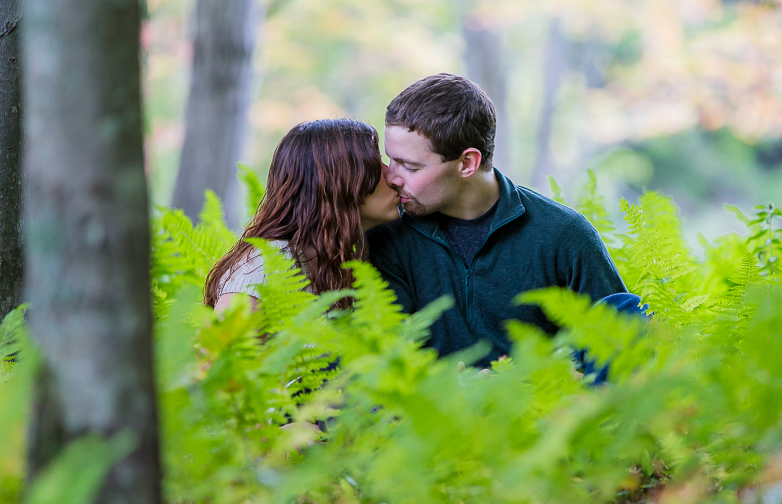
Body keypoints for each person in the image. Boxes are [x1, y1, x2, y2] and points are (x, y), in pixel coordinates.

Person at [366, 73, 629, 367]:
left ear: (467, 163)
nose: (390, 176)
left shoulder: (564, 235)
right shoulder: (386, 236)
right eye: (391, 159)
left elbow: (620, 350)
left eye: (410, 166)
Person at [205, 118, 400, 311]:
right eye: (376, 164)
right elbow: (221, 343)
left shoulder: (342, 263)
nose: (391, 175)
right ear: (340, 183)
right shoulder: (265, 267)